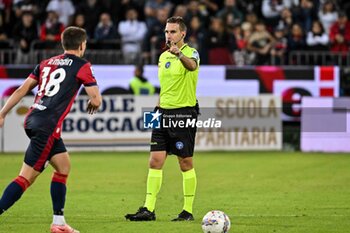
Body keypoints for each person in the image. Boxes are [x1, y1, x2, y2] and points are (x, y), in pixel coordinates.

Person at [0, 26, 102, 233]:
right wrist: (95, 102)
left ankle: (58, 223)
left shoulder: (46, 63)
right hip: (47, 126)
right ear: (82, 45)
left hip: (34, 119)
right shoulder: (83, 65)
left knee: (63, 166)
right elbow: (96, 99)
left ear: (63, 44)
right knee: (25, 178)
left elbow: (22, 89)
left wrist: (2, 113)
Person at [125, 16, 200, 221]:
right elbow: (165, 88)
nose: (168, 35)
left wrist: (179, 55)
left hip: (183, 112)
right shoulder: (163, 57)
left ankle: (187, 211)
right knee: (155, 161)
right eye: (166, 31)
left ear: (182, 34)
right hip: (162, 112)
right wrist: (155, 112)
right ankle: (148, 209)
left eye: (173, 31)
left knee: (185, 162)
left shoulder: (190, 53)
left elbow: (192, 67)